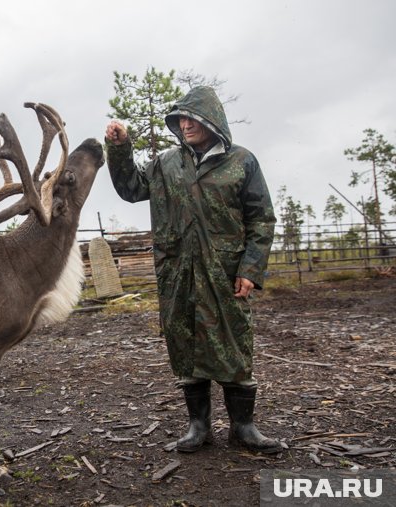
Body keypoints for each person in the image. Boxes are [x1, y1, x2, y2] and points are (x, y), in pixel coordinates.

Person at [104, 86, 281, 454]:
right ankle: (197, 427)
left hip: (225, 274)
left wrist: (250, 268)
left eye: (191, 118)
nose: (184, 124)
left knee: (234, 345)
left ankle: (243, 428)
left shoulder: (241, 162)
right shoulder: (167, 163)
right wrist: (120, 149)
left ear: (211, 120)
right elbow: (131, 188)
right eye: (180, 119)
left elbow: (261, 219)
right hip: (178, 272)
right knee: (185, 346)